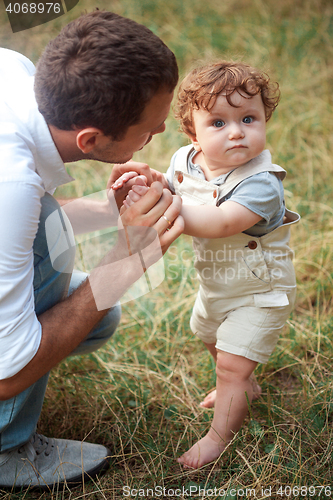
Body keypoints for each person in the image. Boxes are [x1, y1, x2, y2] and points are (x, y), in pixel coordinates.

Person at [0, 10, 184, 489]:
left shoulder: (14, 74)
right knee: (60, 275)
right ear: (91, 139)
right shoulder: (11, 181)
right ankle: (4, 448)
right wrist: (123, 264)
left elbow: (19, 220)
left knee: (94, 314)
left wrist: (108, 210)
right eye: (149, 128)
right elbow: (5, 373)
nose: (161, 133)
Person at [115, 60, 300, 469]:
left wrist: (163, 208)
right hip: (218, 285)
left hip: (260, 292)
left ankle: (219, 435)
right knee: (206, 332)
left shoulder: (262, 183)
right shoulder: (187, 159)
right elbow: (172, 184)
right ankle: (241, 385)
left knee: (232, 364)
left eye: (248, 118)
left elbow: (221, 222)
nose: (236, 131)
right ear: (192, 133)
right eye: (218, 122)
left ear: (265, 121)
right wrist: (149, 187)